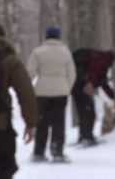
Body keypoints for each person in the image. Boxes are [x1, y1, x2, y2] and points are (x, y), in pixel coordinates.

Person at [0, 22, 38, 179]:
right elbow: (26, 92)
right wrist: (31, 123)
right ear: (3, 38)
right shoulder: (9, 60)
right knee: (6, 167)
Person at [27, 26, 76, 163]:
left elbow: (29, 73)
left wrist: (30, 90)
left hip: (41, 92)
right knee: (58, 122)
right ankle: (57, 152)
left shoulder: (37, 52)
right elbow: (72, 74)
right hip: (61, 92)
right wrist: (67, 88)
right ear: (58, 37)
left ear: (46, 37)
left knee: (42, 122)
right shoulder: (65, 52)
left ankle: (38, 152)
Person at [72, 48, 115, 146]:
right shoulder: (103, 60)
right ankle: (87, 137)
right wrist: (89, 83)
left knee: (84, 112)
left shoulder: (100, 59)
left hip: (76, 85)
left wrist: (113, 98)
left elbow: (103, 83)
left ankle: (83, 136)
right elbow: (95, 71)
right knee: (89, 112)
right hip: (82, 85)